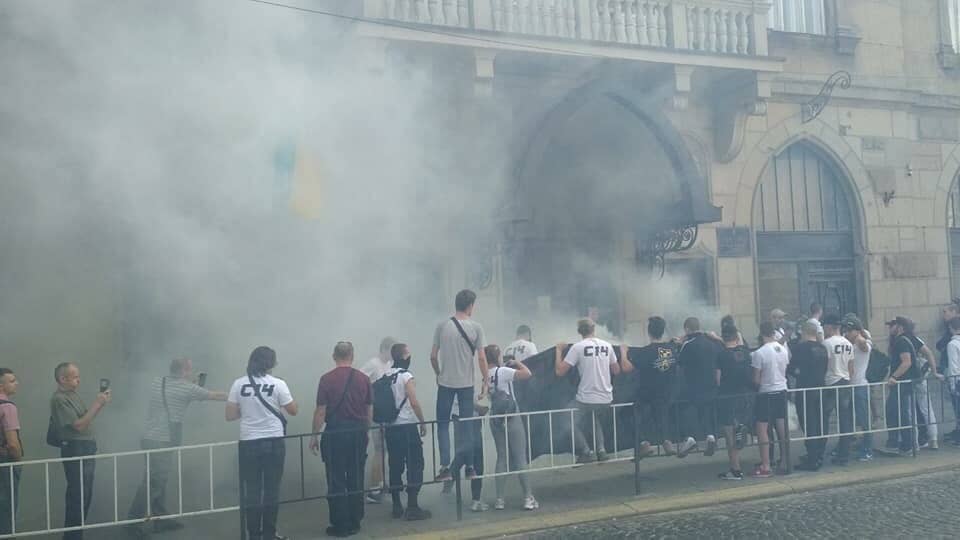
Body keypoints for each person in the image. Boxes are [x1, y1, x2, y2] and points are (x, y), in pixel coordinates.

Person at [127, 358, 227, 535]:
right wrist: (239, 394)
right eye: (189, 369)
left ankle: (160, 519)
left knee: (157, 480)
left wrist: (189, 384)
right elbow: (215, 396)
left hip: (149, 437)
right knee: (153, 483)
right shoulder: (188, 388)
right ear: (184, 371)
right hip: (163, 439)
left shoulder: (158, 382)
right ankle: (133, 522)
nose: (191, 371)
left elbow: (177, 391)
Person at [227, 346, 297, 540]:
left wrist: (248, 410)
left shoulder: (238, 384)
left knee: (252, 491)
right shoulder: (278, 384)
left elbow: (230, 415)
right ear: (271, 363)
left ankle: (253, 535)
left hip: (248, 442)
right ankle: (269, 534)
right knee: (272, 490)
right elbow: (293, 410)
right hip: (274, 442)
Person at [309, 342, 371, 538]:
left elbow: (321, 411)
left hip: (335, 433)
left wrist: (314, 435)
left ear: (334, 356)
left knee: (336, 479)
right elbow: (369, 409)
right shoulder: (363, 379)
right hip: (358, 432)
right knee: (356, 477)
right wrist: (366, 431)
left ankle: (340, 523)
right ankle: (355, 521)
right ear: (352, 356)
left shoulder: (326, 379)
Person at [432, 290, 489, 482]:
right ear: (470, 305)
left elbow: (433, 356)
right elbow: (481, 358)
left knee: (442, 425)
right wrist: (486, 380)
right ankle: (470, 467)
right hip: (466, 384)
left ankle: (445, 467)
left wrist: (438, 373)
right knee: (467, 426)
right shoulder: (476, 327)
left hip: (445, 384)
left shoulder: (442, 326)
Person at [50, 362, 110, 540]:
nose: (79, 380)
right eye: (75, 377)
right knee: (78, 495)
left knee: (85, 495)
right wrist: (98, 404)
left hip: (85, 447)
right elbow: (79, 425)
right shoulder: (59, 399)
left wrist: (100, 404)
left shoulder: (72, 395)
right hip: (75, 449)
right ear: (63, 378)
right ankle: (72, 537)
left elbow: (85, 420)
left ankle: (76, 535)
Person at [556, 318, 621, 463]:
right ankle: (601, 450)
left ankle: (586, 451)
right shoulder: (607, 346)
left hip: (586, 399)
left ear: (579, 331)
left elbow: (560, 371)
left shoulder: (577, 348)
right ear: (594, 328)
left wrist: (558, 350)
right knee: (593, 418)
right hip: (606, 398)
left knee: (565, 420)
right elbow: (616, 370)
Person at [382, 343, 431, 521]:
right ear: (403, 357)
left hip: (391, 428)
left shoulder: (386, 375)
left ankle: (396, 506)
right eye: (408, 354)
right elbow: (414, 401)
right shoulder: (406, 376)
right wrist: (422, 422)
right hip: (407, 427)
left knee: (395, 465)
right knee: (415, 464)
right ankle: (412, 506)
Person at [486, 344, 537, 511]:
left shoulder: (485, 375)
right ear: (497, 357)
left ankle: (500, 499)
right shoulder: (503, 371)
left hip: (495, 418)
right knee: (520, 457)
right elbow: (527, 374)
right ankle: (528, 498)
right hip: (511, 416)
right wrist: (516, 363)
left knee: (502, 457)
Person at [620, 316, 678, 458]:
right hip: (666, 391)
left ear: (648, 332)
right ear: (662, 331)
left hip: (647, 392)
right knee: (661, 415)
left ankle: (644, 442)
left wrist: (623, 352)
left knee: (628, 414)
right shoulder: (671, 349)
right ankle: (667, 442)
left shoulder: (646, 351)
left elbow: (626, 368)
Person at [359, 337, 396, 504]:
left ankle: (381, 483)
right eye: (391, 350)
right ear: (384, 349)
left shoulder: (389, 364)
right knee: (379, 450)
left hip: (386, 414)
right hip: (376, 413)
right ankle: (374, 489)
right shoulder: (373, 364)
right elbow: (359, 381)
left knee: (384, 449)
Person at [716, 320, 754, 480]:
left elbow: (717, 379)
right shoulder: (745, 352)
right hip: (744, 396)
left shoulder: (721, 354)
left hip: (727, 397)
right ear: (736, 336)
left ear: (723, 337)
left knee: (729, 434)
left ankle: (735, 469)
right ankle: (741, 428)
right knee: (737, 429)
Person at [677, 317, 721, 458]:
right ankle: (710, 437)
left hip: (693, 385)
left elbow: (679, 362)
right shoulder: (711, 344)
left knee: (688, 411)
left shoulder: (688, 345)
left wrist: (679, 344)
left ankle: (690, 438)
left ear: (687, 329)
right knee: (705, 412)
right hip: (711, 384)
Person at [751, 322, 790, 478]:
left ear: (761, 334)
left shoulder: (759, 353)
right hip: (782, 390)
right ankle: (785, 461)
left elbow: (756, 379)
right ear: (773, 333)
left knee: (762, 429)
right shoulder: (783, 350)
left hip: (766, 392)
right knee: (782, 427)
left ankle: (766, 465)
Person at [791, 322, 829, 471]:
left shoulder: (800, 348)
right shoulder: (822, 348)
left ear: (804, 332)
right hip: (821, 388)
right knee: (821, 423)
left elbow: (792, 367)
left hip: (805, 389)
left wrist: (796, 373)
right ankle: (819, 455)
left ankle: (812, 459)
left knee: (808, 424)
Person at [882, 317, 920, 456]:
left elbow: (906, 362)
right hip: (903, 383)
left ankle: (903, 445)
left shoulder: (902, 341)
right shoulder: (903, 340)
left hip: (902, 383)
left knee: (896, 412)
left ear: (900, 327)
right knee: (897, 412)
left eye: (892, 326)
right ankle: (902, 444)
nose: (890, 328)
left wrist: (894, 377)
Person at [821, 313, 855, 465]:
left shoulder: (826, 343)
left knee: (824, 417)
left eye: (824, 326)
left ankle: (820, 451)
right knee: (845, 419)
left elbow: (824, 365)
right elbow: (851, 367)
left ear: (829, 327)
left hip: (831, 382)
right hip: (845, 382)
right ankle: (844, 455)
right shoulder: (848, 343)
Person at [842, 315, 874, 461]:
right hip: (849, 385)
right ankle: (846, 445)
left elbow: (865, 347)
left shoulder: (862, 342)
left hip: (860, 385)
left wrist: (860, 337)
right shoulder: (847, 343)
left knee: (864, 419)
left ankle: (868, 448)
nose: (847, 333)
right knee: (847, 419)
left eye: (849, 330)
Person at [906, 329, 940, 449]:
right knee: (926, 409)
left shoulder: (908, 340)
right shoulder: (915, 339)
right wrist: (934, 372)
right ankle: (933, 439)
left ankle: (915, 443)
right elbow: (929, 354)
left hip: (911, 377)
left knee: (911, 411)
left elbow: (928, 353)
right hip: (920, 377)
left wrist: (934, 371)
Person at [0, 369, 22, 535]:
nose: (17, 383)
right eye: (12, 381)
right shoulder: (7, 407)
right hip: (5, 463)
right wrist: (18, 460)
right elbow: (13, 444)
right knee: (6, 508)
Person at [944, 317, 960, 446]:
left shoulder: (952, 344)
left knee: (958, 410)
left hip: (958, 380)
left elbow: (954, 366)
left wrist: (953, 385)